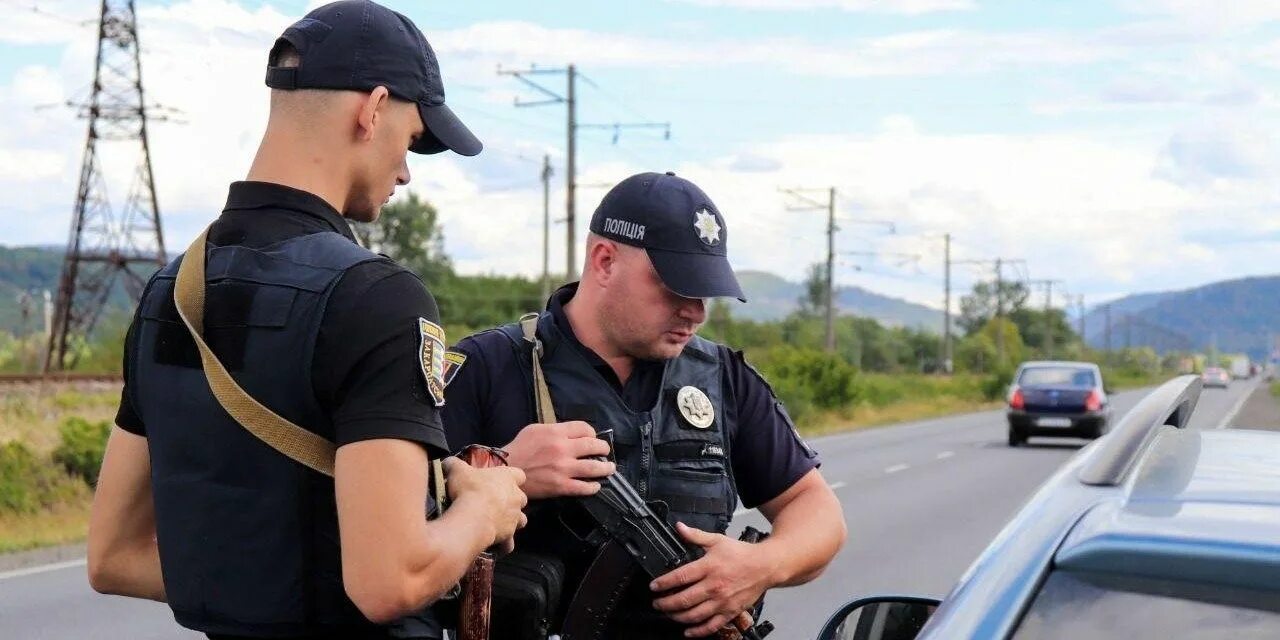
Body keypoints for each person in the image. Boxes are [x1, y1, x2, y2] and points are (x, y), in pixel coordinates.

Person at [85, 2, 527, 638]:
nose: (405, 168)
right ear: (372, 110)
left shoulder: (170, 292)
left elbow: (114, 556)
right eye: (411, 140)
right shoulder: (377, 297)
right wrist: (481, 512)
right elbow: (390, 583)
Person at [441, 171, 848, 639]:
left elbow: (816, 510)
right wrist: (506, 474)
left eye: (704, 292)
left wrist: (761, 565)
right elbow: (399, 530)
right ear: (605, 261)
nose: (694, 311)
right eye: (676, 287)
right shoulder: (489, 367)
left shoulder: (723, 379)